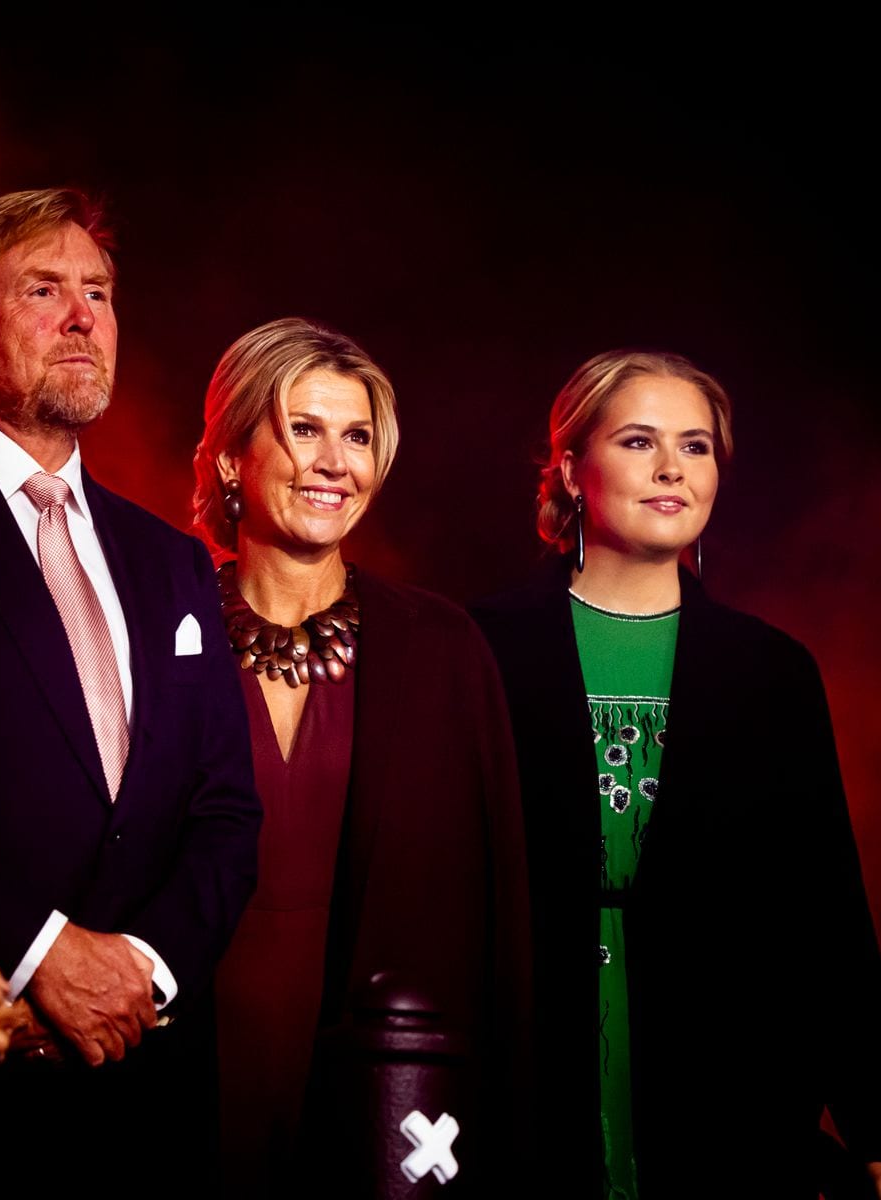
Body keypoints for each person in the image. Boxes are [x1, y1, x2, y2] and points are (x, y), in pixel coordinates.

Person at [470, 350, 881, 1200]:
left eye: (696, 446)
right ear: (570, 468)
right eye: (639, 441)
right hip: (521, 1066)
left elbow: (825, 907)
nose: (672, 467)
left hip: (727, 1084)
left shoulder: (772, 670)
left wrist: (877, 1130)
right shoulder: (476, 647)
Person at [191, 316, 531, 1196]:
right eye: (303, 429)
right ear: (229, 458)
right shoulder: (157, 626)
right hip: (181, 1063)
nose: (335, 463)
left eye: (358, 437)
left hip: (386, 1090)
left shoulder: (442, 646)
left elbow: (497, 913)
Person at [0, 187, 261, 1194]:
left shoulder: (172, 561)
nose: (81, 318)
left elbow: (225, 813)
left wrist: (144, 967)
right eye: (42, 289)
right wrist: (36, 951)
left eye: (97, 292)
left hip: (149, 1091)